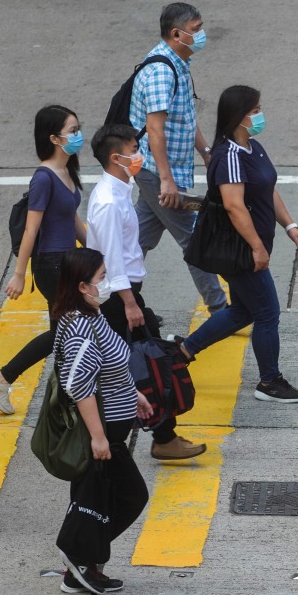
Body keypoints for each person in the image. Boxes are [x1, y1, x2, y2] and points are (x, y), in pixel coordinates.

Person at [174, 86, 298, 402]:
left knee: (242, 311)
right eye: (255, 110)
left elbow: (267, 189)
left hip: (251, 246)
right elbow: (234, 206)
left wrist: (290, 225)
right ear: (239, 116)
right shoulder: (229, 156)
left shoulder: (253, 146)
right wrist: (257, 248)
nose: (260, 115)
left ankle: (182, 352)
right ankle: (270, 382)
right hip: (240, 250)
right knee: (267, 313)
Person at [86, 124, 204, 460]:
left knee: (146, 363)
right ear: (115, 157)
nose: (140, 154)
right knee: (148, 365)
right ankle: (144, 438)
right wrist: (129, 303)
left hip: (123, 294)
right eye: (135, 148)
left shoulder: (121, 190)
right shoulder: (109, 201)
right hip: (116, 297)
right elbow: (110, 257)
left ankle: (161, 436)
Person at [52, 248, 152, 595]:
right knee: (131, 495)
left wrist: (131, 393)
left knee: (96, 501)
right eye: (101, 278)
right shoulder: (80, 326)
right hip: (104, 434)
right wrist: (98, 437)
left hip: (112, 427)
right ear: (82, 286)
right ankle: (78, 555)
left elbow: (106, 367)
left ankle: (82, 566)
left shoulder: (92, 315)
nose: (107, 283)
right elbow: (79, 383)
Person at [0, 105, 86, 414]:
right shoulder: (44, 178)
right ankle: (65, 395)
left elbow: (72, 219)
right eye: (73, 131)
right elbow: (31, 228)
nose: (79, 136)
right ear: (54, 138)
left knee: (64, 333)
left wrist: (98, 253)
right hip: (52, 266)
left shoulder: (66, 171)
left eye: (78, 129)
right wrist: (19, 273)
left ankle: (4, 379)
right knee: (70, 330)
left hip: (68, 261)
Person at [130, 2, 227, 314]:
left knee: (138, 240)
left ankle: (112, 294)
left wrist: (206, 151)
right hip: (158, 171)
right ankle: (220, 308)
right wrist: (167, 181)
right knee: (195, 240)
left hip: (160, 170)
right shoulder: (161, 72)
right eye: (196, 29)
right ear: (176, 34)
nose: (202, 35)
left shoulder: (179, 63)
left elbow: (183, 116)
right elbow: (155, 130)